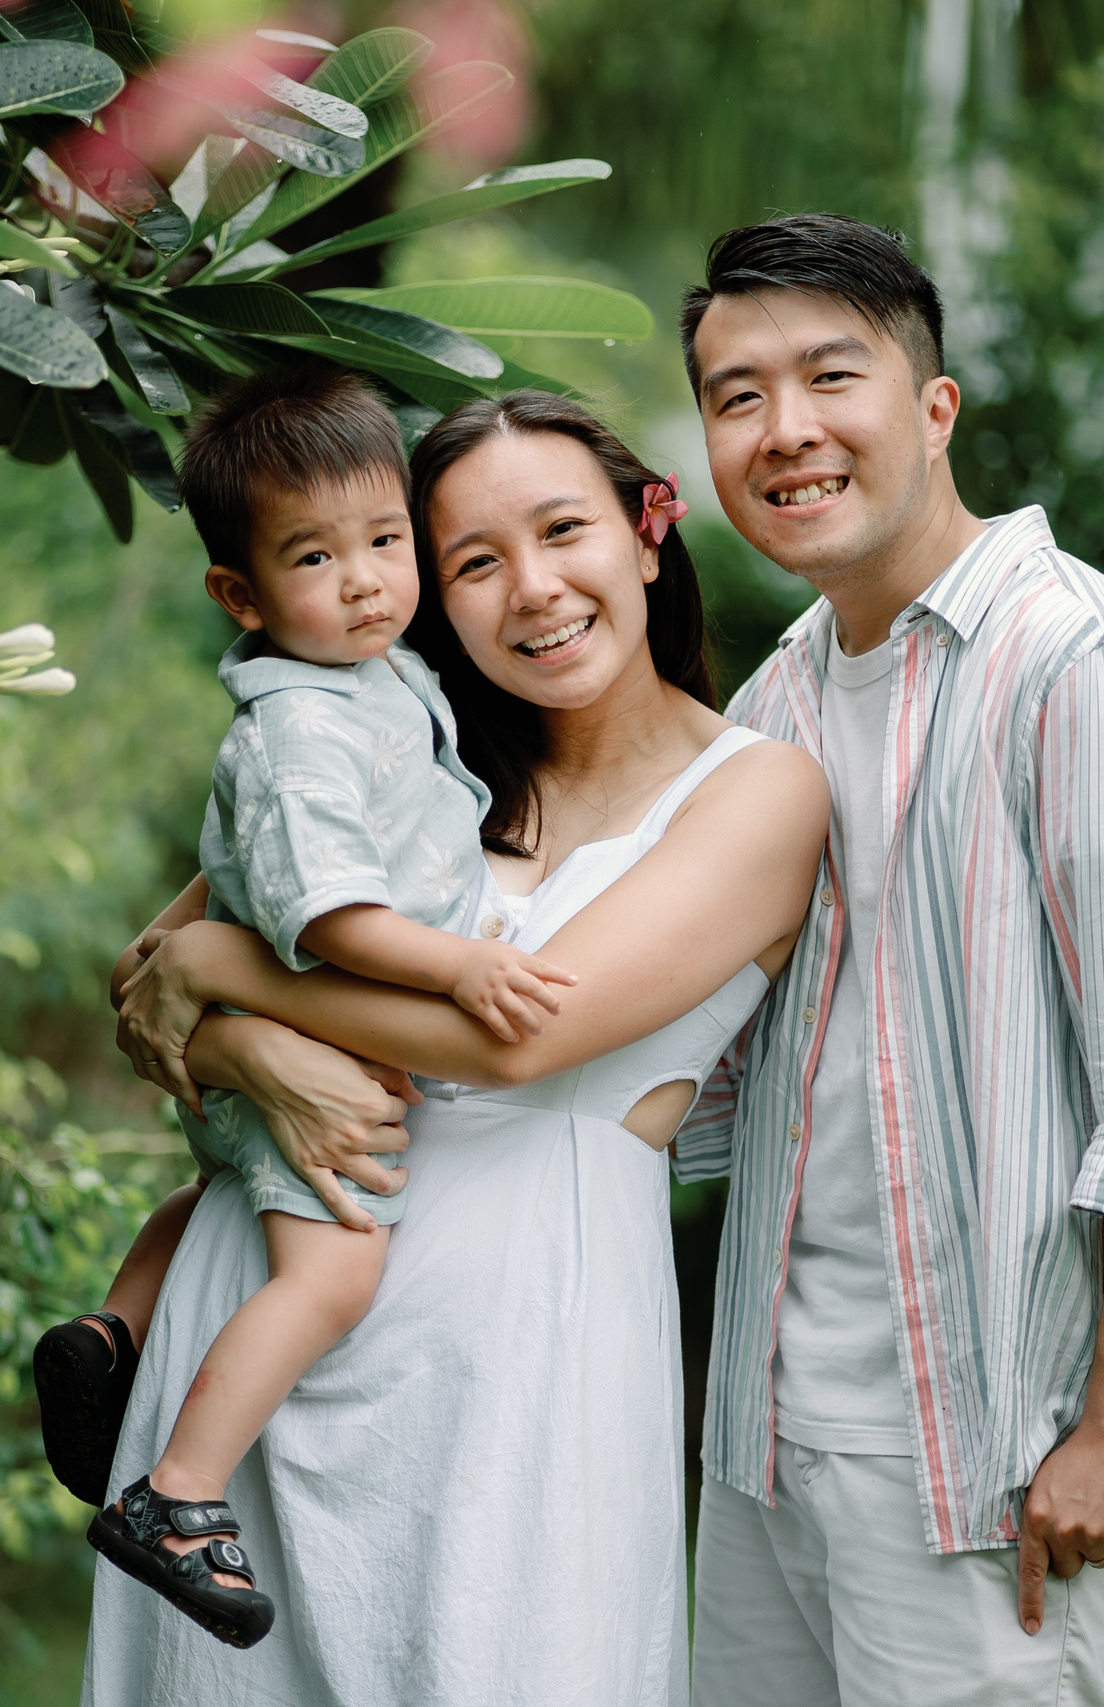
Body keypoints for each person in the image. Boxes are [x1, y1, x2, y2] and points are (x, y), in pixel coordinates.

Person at [81, 392, 827, 1705]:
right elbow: (148, 983)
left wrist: (231, 981)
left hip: (526, 1354)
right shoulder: (395, 767)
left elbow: (516, 1042)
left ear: (648, 535)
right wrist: (246, 1040)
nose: (532, 587)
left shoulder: (758, 791)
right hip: (265, 1310)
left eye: (563, 530)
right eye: (478, 560)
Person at [670, 213, 1104, 1706]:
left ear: (934, 409)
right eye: (736, 396)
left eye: (830, 377)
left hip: (982, 1464)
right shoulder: (776, 699)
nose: (784, 430)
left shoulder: (1083, 665)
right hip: (769, 1438)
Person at [37, 368, 579, 1648]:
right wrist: (458, 966)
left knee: (214, 1187)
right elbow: (328, 915)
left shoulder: (373, 677)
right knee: (332, 1276)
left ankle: (114, 1329)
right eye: (316, 559)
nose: (366, 582)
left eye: (387, 543)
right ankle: (175, 1497)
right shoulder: (301, 727)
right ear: (240, 594)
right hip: (326, 1049)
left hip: (279, 1062)